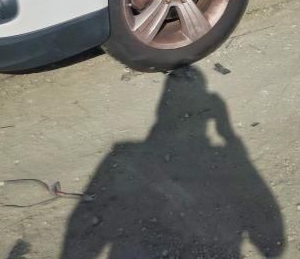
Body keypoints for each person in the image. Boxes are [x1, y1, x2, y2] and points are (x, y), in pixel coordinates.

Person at [60, 67, 285, 258]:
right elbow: (272, 241)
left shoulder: (126, 156)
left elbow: (83, 229)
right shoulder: (227, 159)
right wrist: (228, 135)